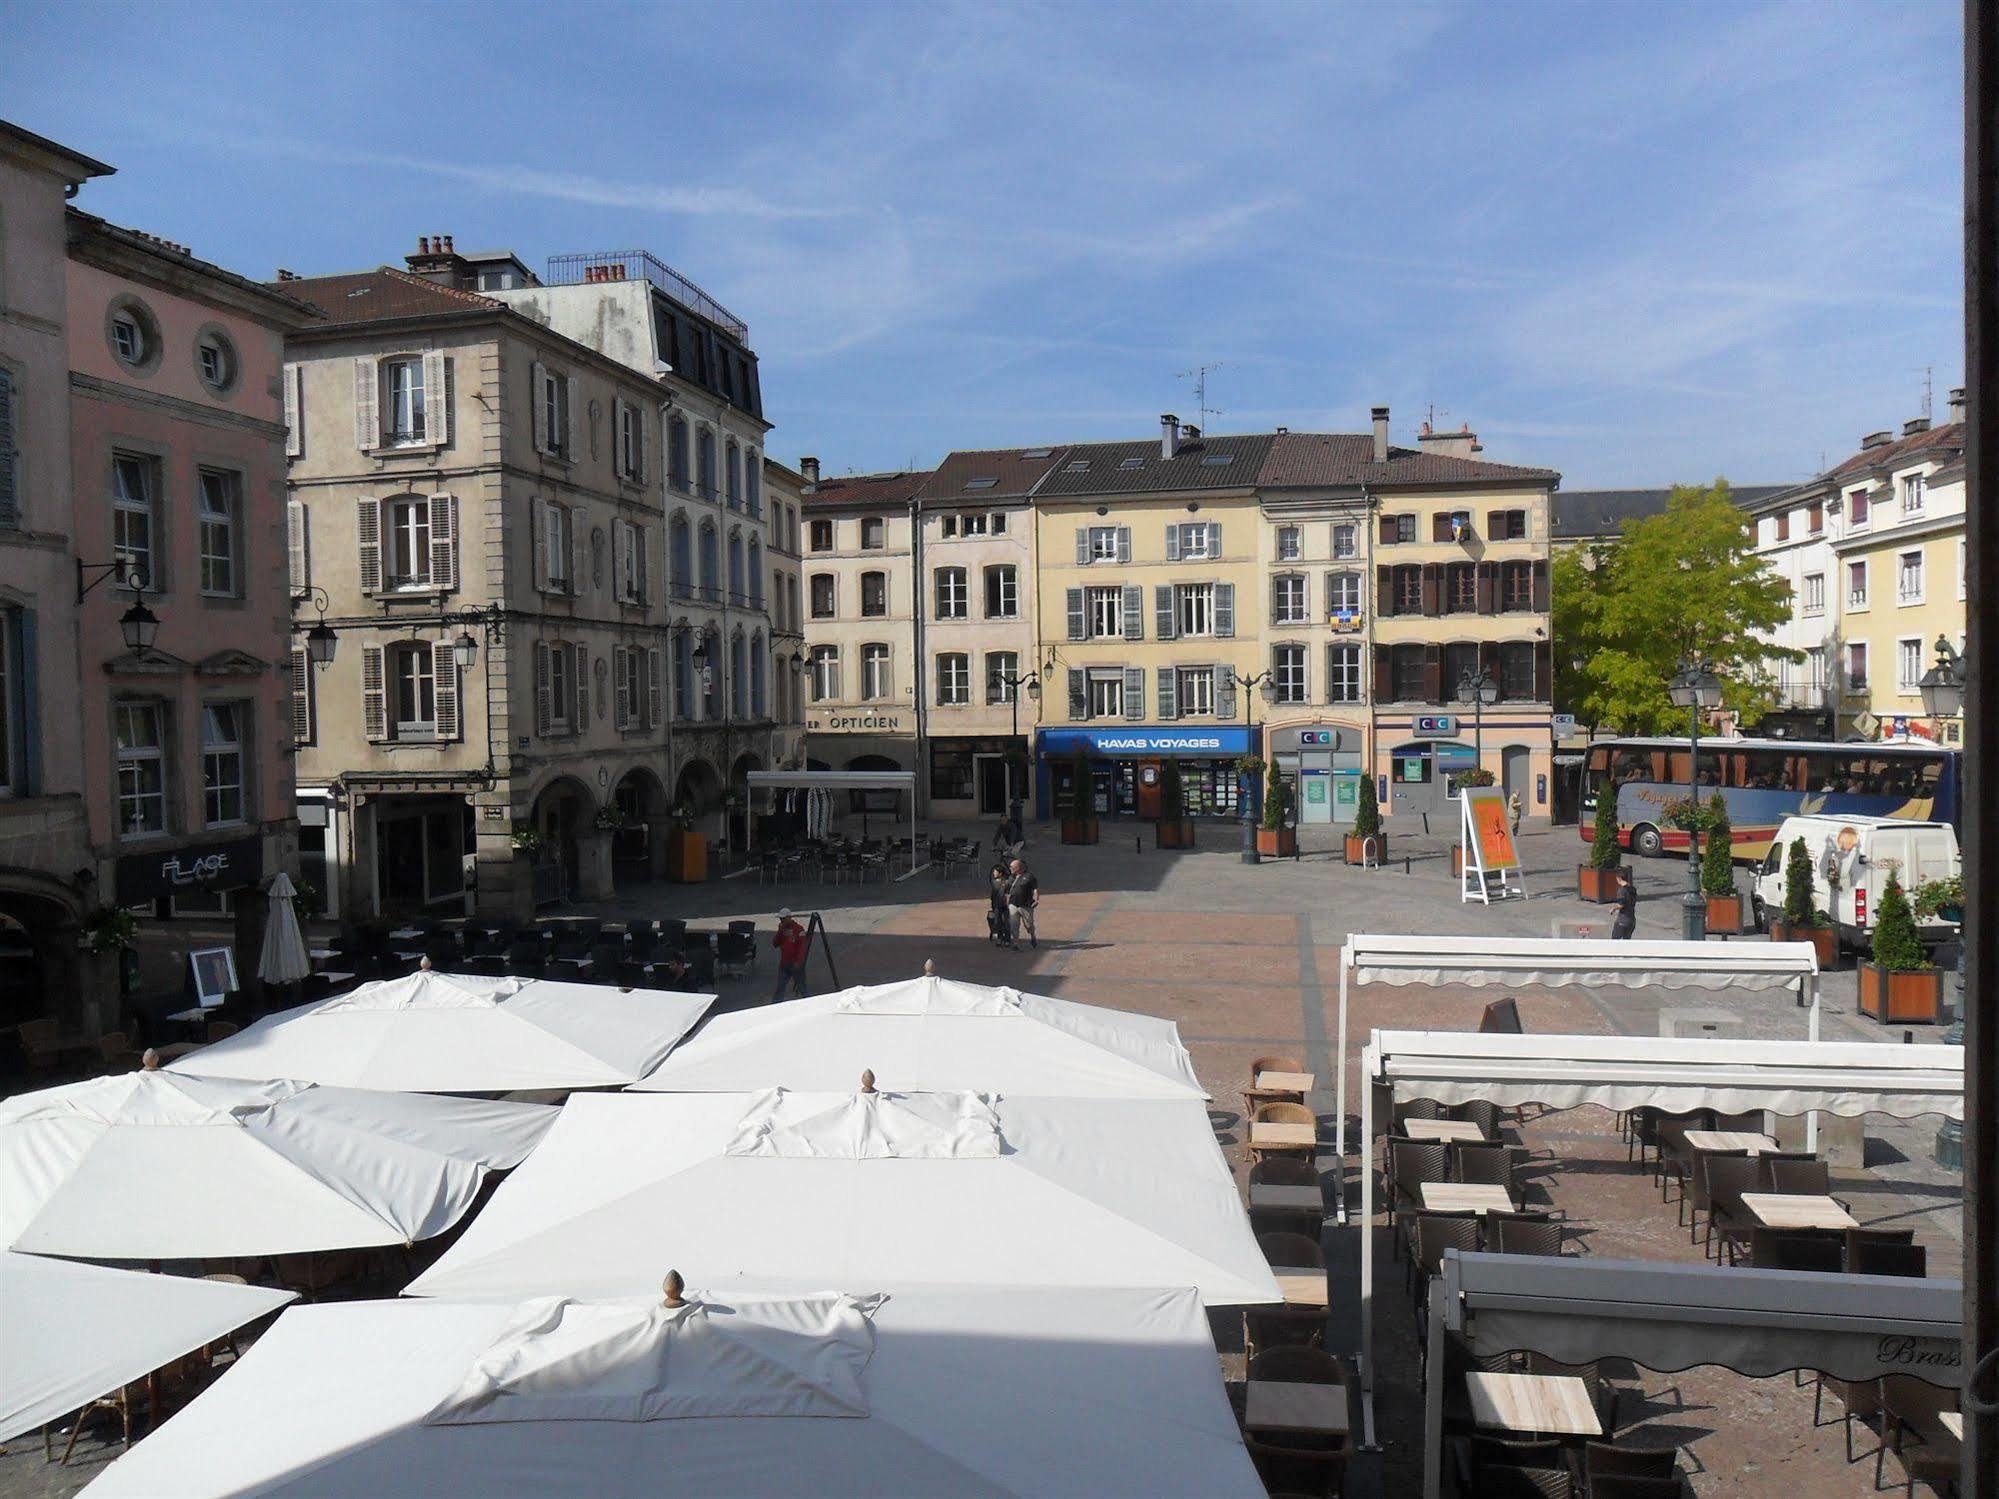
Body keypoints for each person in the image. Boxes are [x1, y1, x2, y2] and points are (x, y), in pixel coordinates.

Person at [770, 908, 810, 1002]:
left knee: (802, 987)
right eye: (780, 919)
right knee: (780, 987)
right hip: (784, 964)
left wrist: (799, 962)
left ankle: (809, 1003)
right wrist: (780, 931)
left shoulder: (799, 929)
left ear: (789, 918)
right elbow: (775, 943)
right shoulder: (782, 929)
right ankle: (775, 1006)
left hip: (795, 964)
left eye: (783, 919)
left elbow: (802, 948)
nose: (781, 921)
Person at [1006, 858, 1040, 949]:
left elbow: (1035, 889)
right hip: (1013, 904)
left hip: (1026, 905)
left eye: (1012, 867)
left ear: (1019, 868)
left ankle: (1033, 936)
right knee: (1014, 925)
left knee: (1028, 925)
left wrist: (1036, 900)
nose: (1010, 868)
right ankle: (1016, 943)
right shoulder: (1011, 877)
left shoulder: (1029, 877)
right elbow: (1007, 891)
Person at [987, 855, 1016, 948]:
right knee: (997, 922)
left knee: (1007, 923)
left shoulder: (1006, 882)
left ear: (1000, 873)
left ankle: (1007, 939)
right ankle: (1000, 938)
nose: (993, 873)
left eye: (995, 872)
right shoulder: (994, 882)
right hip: (996, 905)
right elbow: (993, 895)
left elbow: (1012, 880)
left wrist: (1011, 872)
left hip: (1005, 905)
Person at [1610, 872, 1638, 940]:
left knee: (1614, 941)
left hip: (1623, 920)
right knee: (1626, 942)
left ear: (1619, 879)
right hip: (1632, 920)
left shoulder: (1622, 891)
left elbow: (1621, 904)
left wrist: (1613, 908)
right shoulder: (1632, 889)